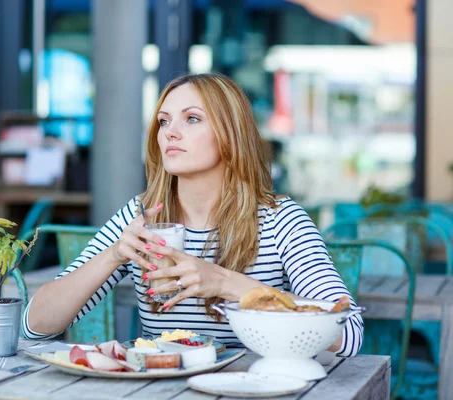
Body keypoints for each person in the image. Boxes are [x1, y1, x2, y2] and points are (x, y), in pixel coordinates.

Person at [23, 73, 363, 356]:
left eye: (192, 119)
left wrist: (226, 283)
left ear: (231, 135)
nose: (170, 132)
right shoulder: (143, 217)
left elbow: (346, 335)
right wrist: (112, 256)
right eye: (164, 121)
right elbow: (35, 326)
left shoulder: (281, 220)